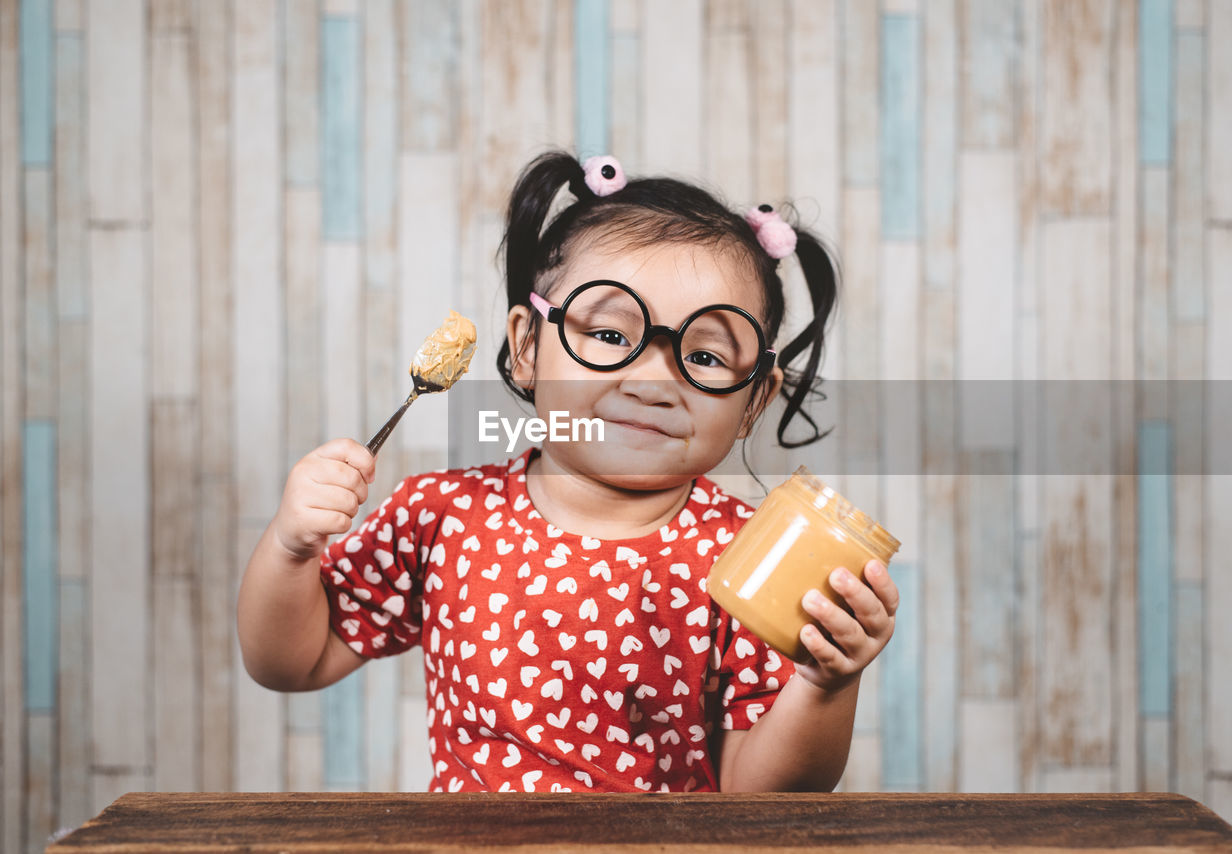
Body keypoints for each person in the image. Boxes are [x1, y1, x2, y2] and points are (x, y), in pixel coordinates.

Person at [237, 151, 900, 793]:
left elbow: (756, 790)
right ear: (527, 346)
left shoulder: (749, 558)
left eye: (704, 357)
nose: (652, 380)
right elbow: (292, 661)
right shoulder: (439, 516)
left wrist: (824, 685)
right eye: (611, 336)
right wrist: (290, 547)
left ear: (755, 397)